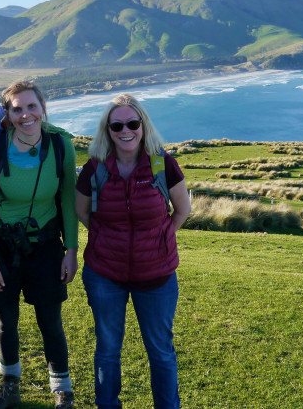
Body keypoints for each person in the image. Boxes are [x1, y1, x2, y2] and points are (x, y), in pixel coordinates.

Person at [75, 93, 191, 409]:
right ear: (107, 130)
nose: (125, 130)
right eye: (117, 125)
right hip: (104, 274)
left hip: (157, 275)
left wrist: (161, 239)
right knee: (107, 348)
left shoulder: (161, 163)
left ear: (143, 125)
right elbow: (82, 211)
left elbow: (182, 210)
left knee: (161, 351)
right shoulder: (95, 167)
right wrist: (106, 239)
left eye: (132, 123)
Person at [0, 80, 79, 409]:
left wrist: (71, 251)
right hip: (0, 247)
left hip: (45, 245)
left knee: (50, 319)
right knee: (6, 319)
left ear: (43, 108)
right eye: (17, 109)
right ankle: (10, 386)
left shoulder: (61, 145)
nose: (25, 115)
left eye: (32, 106)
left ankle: (62, 390)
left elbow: (68, 201)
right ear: (7, 114)